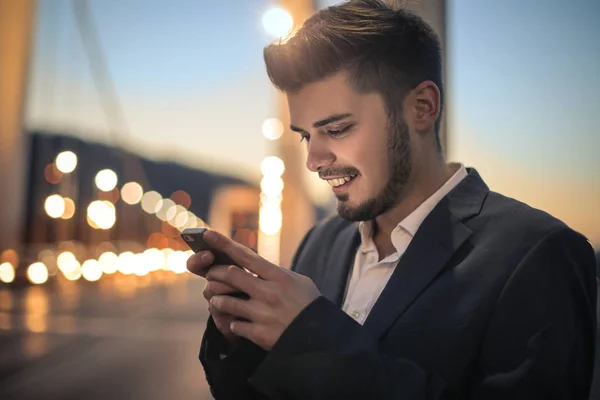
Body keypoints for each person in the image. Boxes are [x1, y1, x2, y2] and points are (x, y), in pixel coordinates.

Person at [186, 1, 598, 398]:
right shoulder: (320, 243)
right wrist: (239, 339)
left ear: (422, 107)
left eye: (339, 128)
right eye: (306, 135)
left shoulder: (540, 255)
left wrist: (310, 338)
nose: (313, 160)